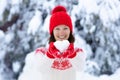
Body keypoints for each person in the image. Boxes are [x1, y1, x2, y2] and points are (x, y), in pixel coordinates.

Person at [18, 5, 86, 80]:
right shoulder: (42, 53)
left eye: (65, 28)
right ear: (52, 32)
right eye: (57, 29)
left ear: (70, 31)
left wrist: (72, 54)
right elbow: (41, 69)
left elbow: (80, 67)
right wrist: (50, 54)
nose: (61, 32)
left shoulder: (77, 52)